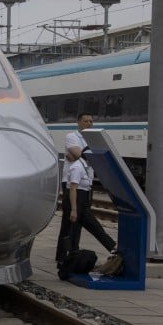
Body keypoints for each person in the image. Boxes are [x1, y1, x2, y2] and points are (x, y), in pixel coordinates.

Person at [59, 147, 117, 270]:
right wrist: (74, 210)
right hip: (76, 203)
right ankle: (64, 260)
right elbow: (72, 189)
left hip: (82, 203)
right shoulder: (77, 167)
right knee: (74, 231)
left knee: (91, 228)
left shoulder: (85, 167)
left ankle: (113, 249)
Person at [54, 112, 95, 263]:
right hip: (71, 183)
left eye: (91, 121)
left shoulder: (92, 138)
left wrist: (79, 155)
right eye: (86, 121)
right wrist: (85, 155)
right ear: (78, 122)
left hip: (86, 184)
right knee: (69, 220)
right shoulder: (72, 136)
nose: (89, 124)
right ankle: (62, 255)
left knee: (79, 221)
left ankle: (74, 252)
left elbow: (79, 156)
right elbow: (79, 155)